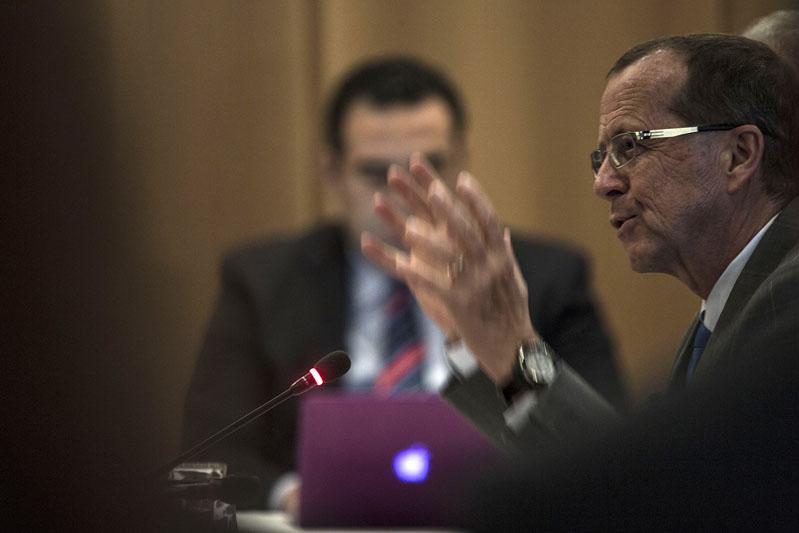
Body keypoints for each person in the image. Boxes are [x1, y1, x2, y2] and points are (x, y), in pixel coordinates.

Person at [182, 56, 622, 510]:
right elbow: (212, 448)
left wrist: (510, 347)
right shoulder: (262, 282)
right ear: (332, 171)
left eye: (428, 166)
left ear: (462, 158)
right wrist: (296, 495)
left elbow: (612, 450)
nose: (403, 192)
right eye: (376, 173)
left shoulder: (547, 277)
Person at [362, 33, 799, 461]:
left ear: (739, 155)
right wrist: (499, 349)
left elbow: (655, 494)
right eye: (601, 157)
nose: (603, 183)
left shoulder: (787, 298)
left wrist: (517, 346)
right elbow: (638, 477)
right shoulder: (727, 305)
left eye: (630, 146)